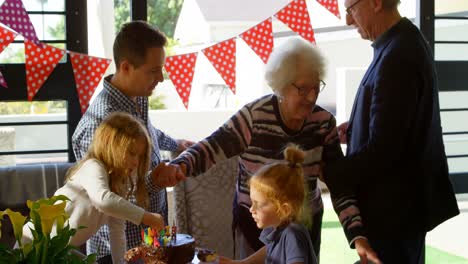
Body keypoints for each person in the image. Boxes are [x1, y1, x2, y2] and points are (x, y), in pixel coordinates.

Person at [169, 37, 343, 260]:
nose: (311, 97)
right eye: (302, 89)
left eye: (316, 87)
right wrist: (180, 165)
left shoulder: (324, 122)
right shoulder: (254, 117)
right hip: (254, 223)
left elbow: (340, 182)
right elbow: (212, 146)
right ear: (280, 86)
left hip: (303, 222)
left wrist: (357, 235)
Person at [322, 0, 460, 263]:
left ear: (374, 3)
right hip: (397, 210)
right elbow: (398, 121)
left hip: (394, 213)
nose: (349, 21)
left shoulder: (399, 55)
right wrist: (357, 127)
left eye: (350, 9)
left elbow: (385, 150)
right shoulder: (400, 41)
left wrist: (327, 173)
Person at [72, 21, 192, 263]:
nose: (161, 78)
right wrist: (154, 181)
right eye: (153, 71)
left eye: (161, 69)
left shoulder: (137, 97)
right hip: (117, 250)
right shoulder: (99, 126)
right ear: (126, 67)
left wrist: (176, 143)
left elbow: (150, 133)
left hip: (148, 241)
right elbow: (110, 201)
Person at [22, 112, 165, 264]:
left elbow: (117, 231)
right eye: (131, 153)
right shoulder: (93, 166)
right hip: (34, 245)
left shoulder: (118, 185)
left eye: (139, 156)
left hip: (58, 250)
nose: (136, 162)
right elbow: (103, 200)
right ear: (111, 145)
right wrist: (145, 216)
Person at [219, 145, 318, 264]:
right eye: (252, 202)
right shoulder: (279, 230)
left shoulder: (293, 235)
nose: (251, 209)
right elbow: (269, 251)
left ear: (284, 209)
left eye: (258, 204)